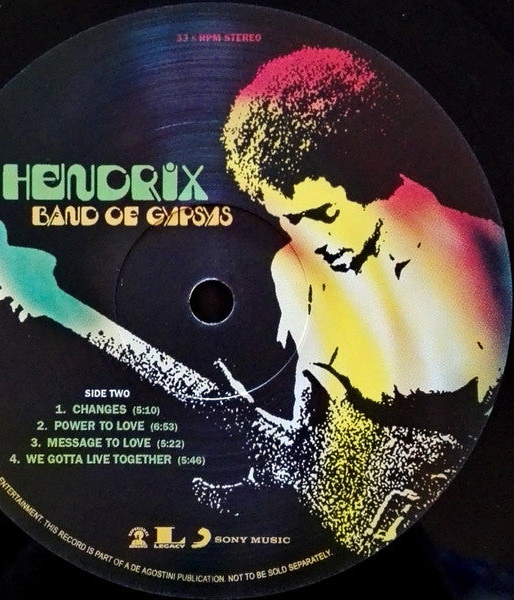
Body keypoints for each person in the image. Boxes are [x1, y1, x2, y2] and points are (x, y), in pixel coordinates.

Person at [211, 46, 511, 555]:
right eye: (288, 219)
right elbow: (309, 442)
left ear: (376, 177)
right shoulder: (292, 269)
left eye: (323, 214)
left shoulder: (486, 266)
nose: (311, 240)